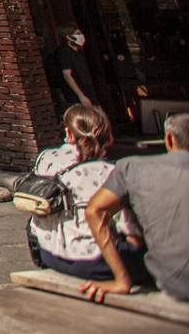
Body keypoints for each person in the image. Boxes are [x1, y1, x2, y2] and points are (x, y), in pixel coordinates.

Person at [26, 105, 145, 281]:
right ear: (109, 139)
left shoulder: (45, 159)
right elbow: (129, 229)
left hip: (49, 254)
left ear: (69, 133)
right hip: (95, 262)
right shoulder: (110, 172)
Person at [82, 112, 189, 303]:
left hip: (177, 284)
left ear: (169, 139)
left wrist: (121, 280)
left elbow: (94, 211)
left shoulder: (132, 167)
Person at [54, 26, 97, 109]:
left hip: (88, 92)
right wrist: (81, 95)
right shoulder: (64, 52)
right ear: (69, 37)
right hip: (76, 97)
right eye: (78, 34)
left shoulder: (78, 52)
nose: (81, 36)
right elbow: (67, 75)